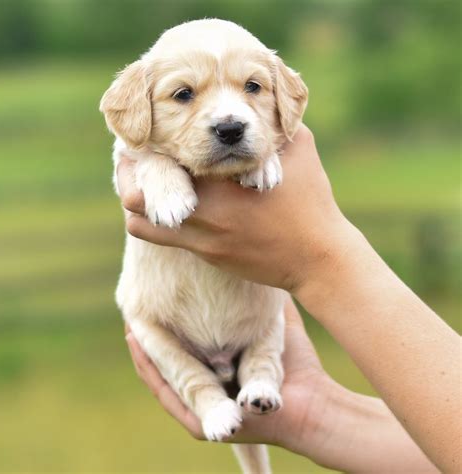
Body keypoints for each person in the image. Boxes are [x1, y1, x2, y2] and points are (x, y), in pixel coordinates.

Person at [119, 125, 460, 473]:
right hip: (170, 320)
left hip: (250, 326)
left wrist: (320, 262)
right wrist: (316, 413)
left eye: (252, 87)